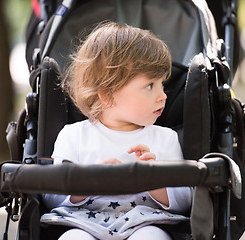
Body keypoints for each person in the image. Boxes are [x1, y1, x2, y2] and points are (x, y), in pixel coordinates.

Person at [41, 22, 192, 240]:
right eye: (150, 85)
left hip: (145, 223)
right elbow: (50, 197)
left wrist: (154, 180)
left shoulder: (165, 138)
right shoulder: (73, 136)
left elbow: (185, 201)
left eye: (162, 84)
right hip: (82, 224)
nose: (163, 95)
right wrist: (87, 181)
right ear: (107, 93)